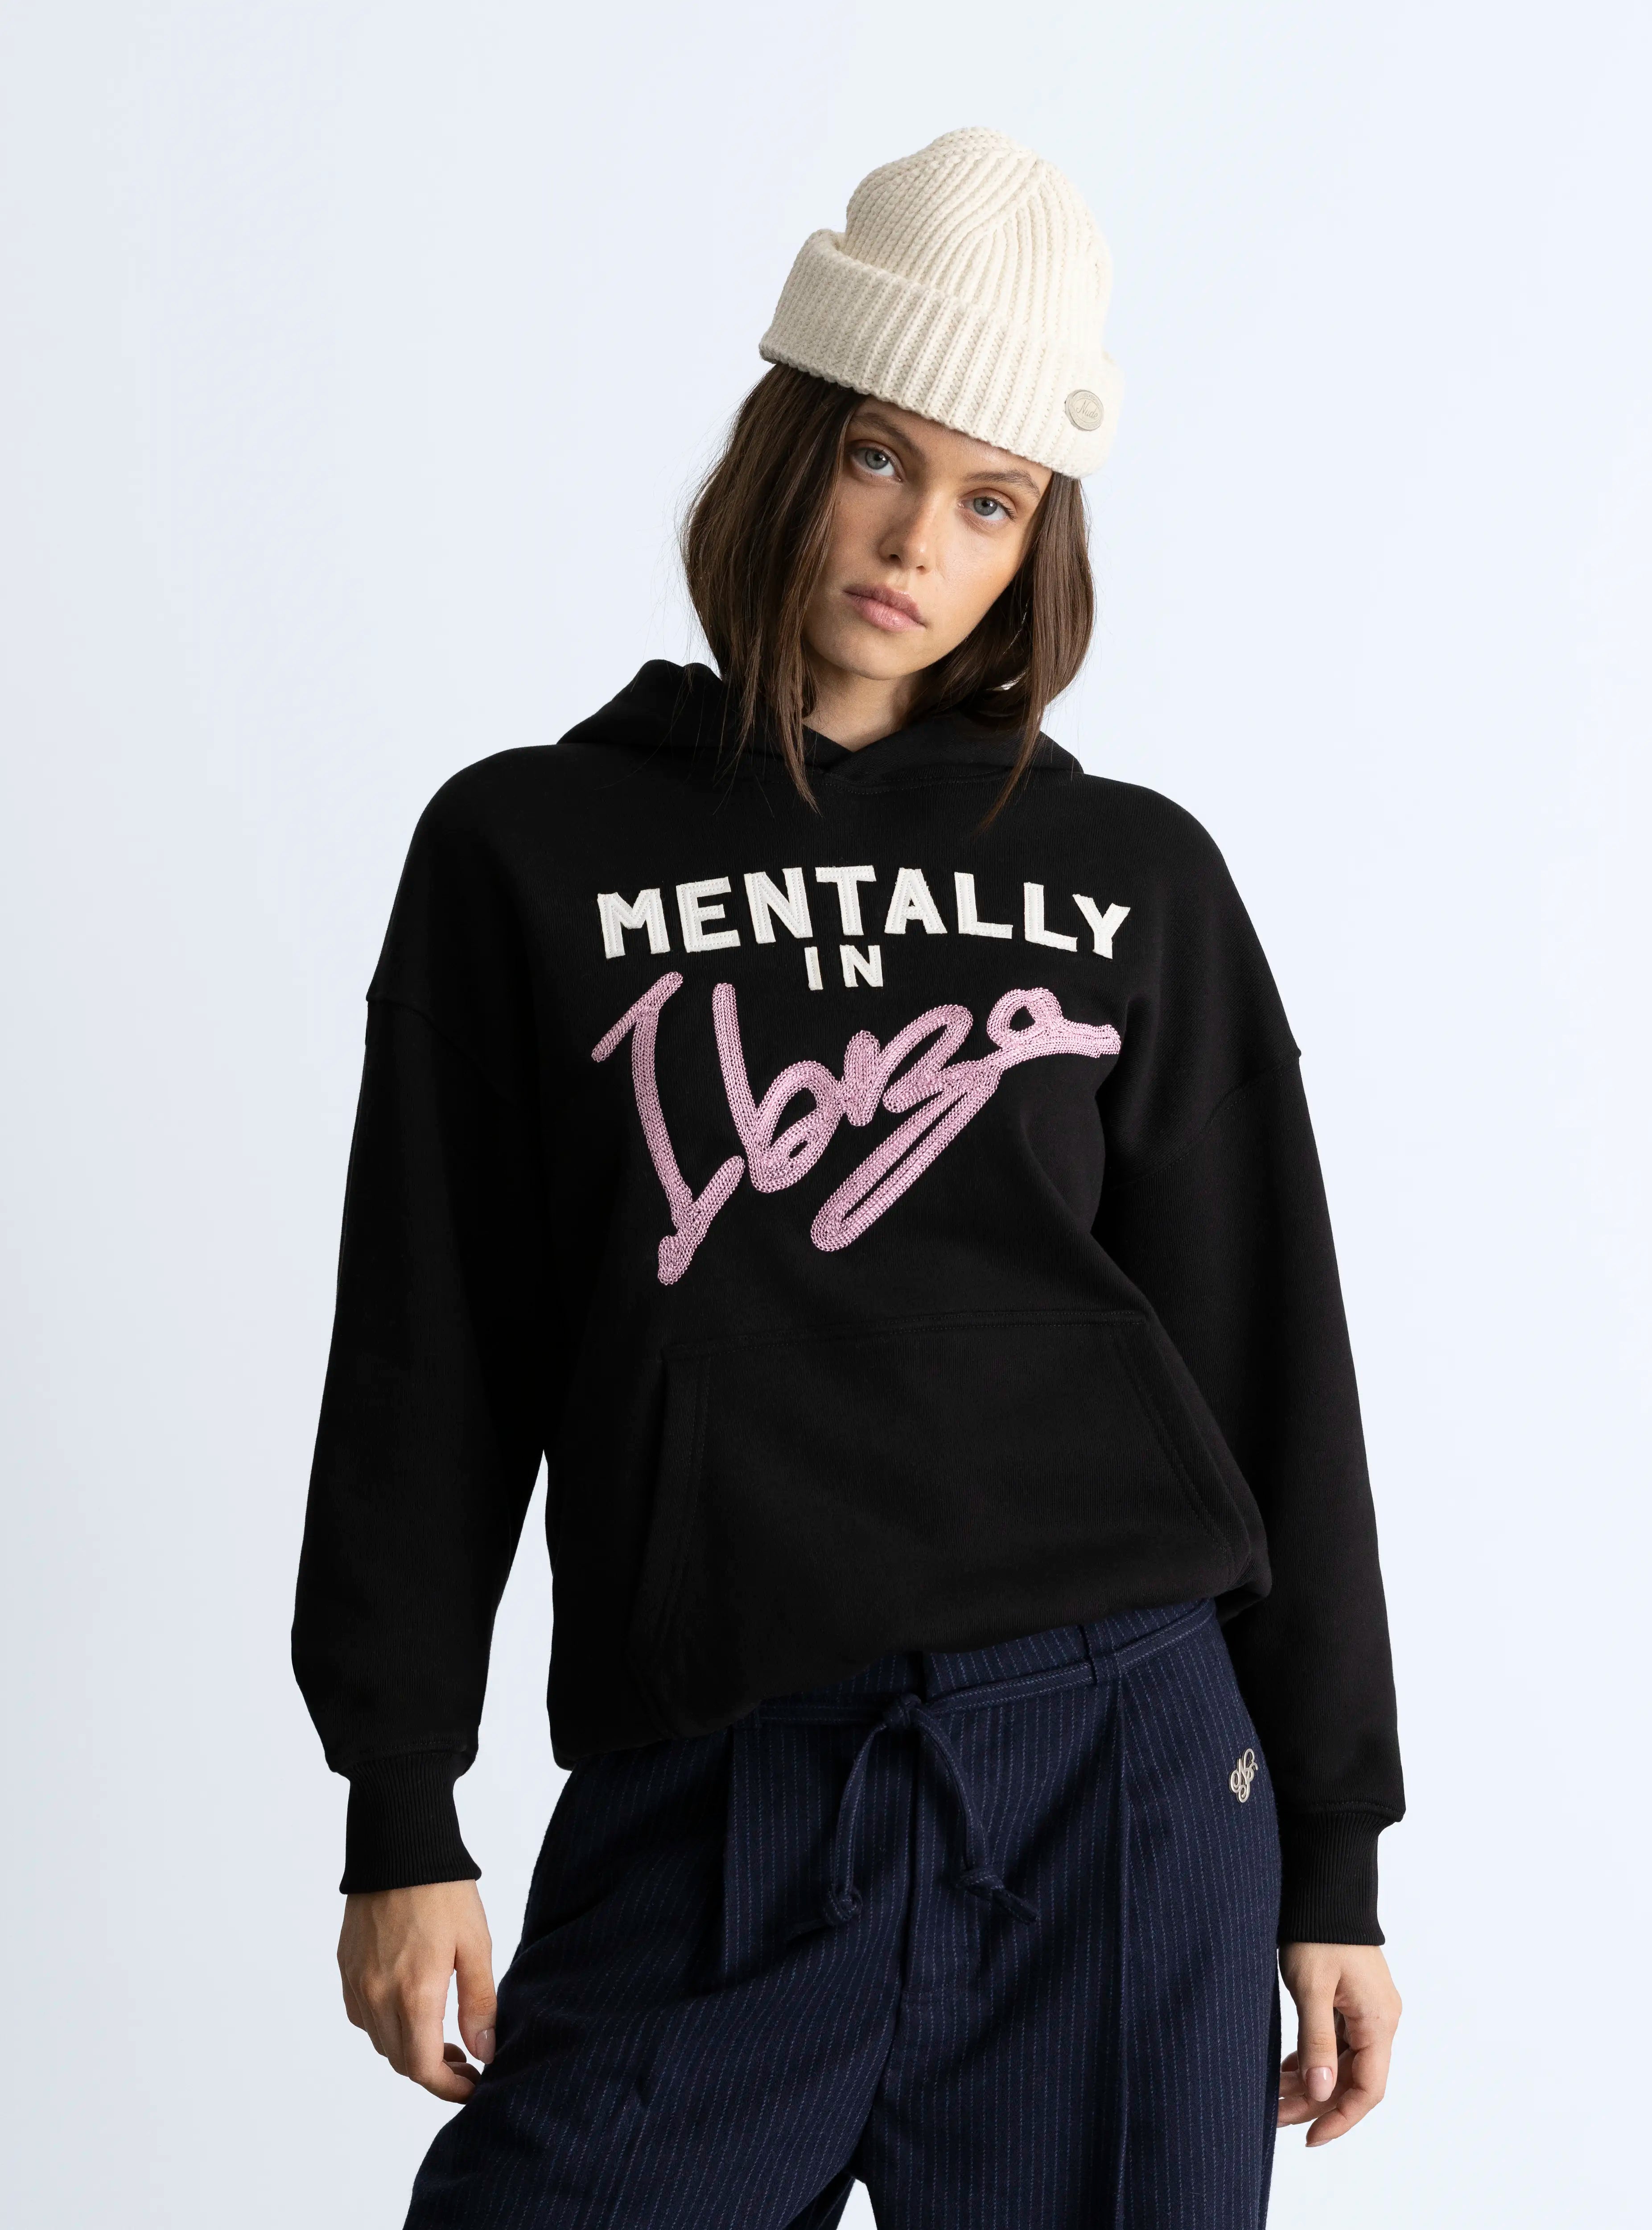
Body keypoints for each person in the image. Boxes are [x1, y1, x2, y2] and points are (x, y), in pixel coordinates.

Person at [294, 126, 1404, 2229]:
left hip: (1115, 1781)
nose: (915, 540)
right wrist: (398, 1806)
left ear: (1035, 544)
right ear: (787, 445)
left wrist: (1333, 1854)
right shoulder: (527, 849)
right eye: (880, 455)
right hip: (711, 1789)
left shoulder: (1129, 875)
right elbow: (433, 1356)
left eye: (991, 499)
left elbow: (1272, 1366)